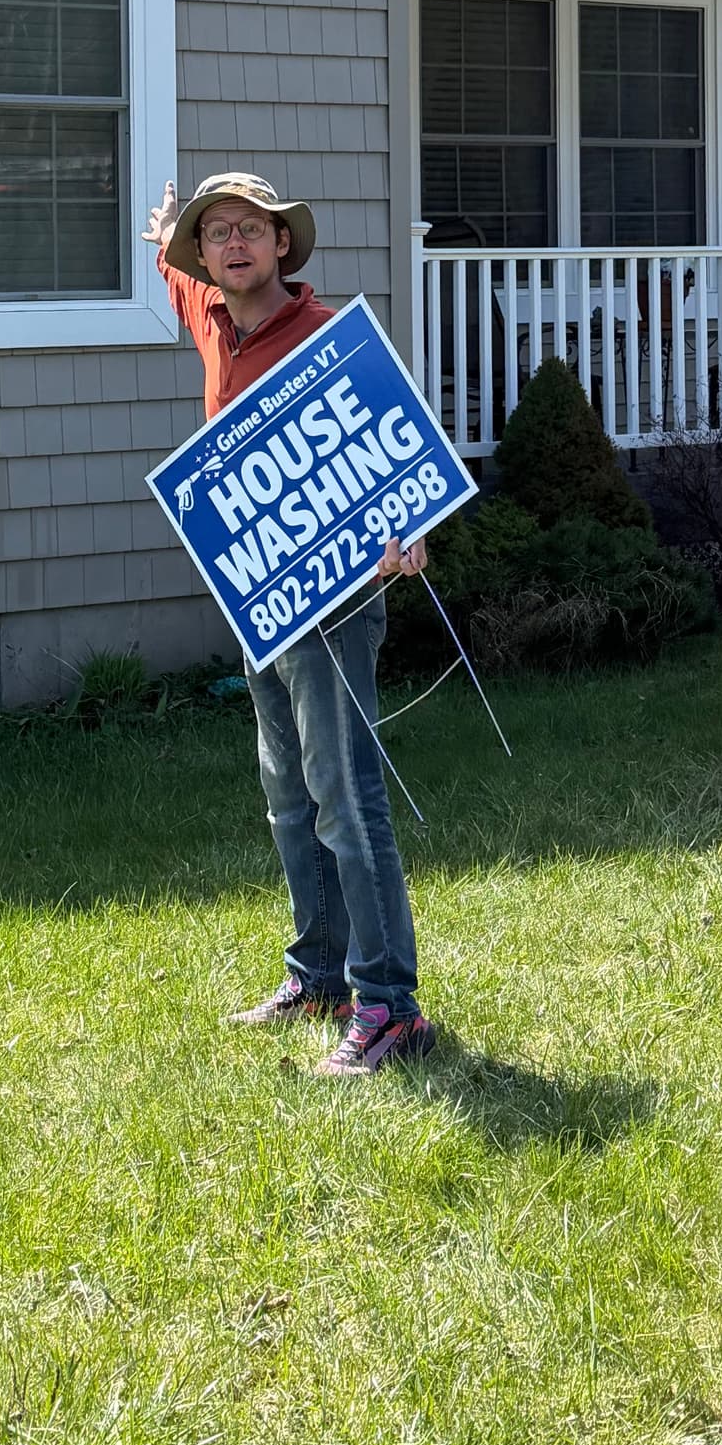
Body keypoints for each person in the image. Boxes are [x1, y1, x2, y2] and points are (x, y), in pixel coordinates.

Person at [143, 171, 439, 1075]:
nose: (232, 246)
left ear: (282, 245)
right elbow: (173, 266)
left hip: (339, 605)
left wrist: (409, 533)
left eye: (249, 230)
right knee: (289, 800)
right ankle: (318, 976)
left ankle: (389, 1006)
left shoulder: (326, 340)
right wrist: (164, 234)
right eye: (216, 234)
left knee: (348, 802)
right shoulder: (211, 314)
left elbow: (396, 454)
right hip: (260, 604)